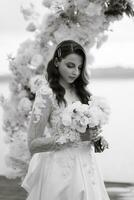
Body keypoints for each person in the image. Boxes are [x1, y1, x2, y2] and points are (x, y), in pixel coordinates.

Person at [21, 40, 110, 200]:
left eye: (79, 67)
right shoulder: (46, 94)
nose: (75, 72)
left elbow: (85, 131)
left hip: (88, 168)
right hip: (59, 171)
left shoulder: (83, 93)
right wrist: (75, 137)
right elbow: (33, 144)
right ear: (56, 62)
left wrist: (96, 138)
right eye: (70, 65)